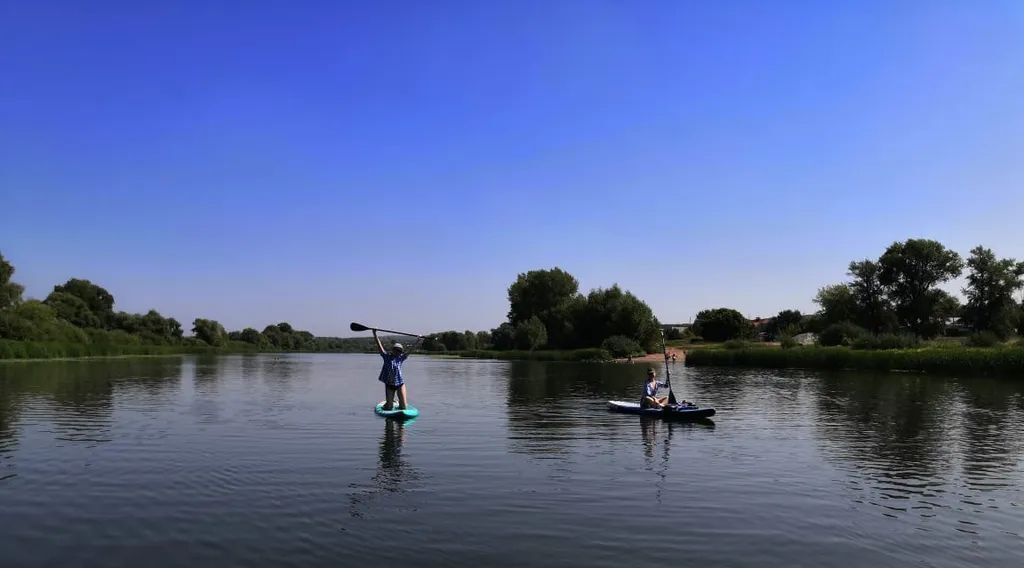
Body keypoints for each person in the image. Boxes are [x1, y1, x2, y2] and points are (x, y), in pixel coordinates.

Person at [375, 330, 412, 410]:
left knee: (404, 407)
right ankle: (388, 403)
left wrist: (418, 340)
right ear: (393, 350)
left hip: (400, 384)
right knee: (389, 407)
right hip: (389, 384)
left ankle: (398, 403)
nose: (398, 352)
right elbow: (379, 346)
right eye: (396, 350)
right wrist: (375, 333)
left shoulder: (401, 358)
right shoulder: (386, 356)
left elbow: (410, 351)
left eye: (400, 351)